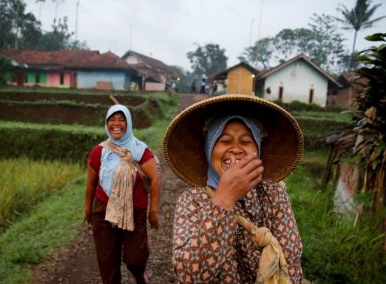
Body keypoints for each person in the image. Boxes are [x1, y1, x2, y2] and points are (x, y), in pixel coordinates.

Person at [163, 94, 304, 283]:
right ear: (209, 149)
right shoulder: (192, 201)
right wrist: (224, 198)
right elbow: (189, 275)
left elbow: (291, 264)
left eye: (246, 142)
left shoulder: (273, 195)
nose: (236, 149)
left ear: (258, 151)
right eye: (225, 141)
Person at [85, 104, 161, 284]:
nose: (116, 124)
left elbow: (155, 180)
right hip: (104, 210)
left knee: (135, 258)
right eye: (112, 119)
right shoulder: (99, 151)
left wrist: (153, 212)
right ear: (106, 123)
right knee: (107, 261)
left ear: (129, 123)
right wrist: (88, 209)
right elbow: (90, 184)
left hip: (134, 209)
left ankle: (138, 273)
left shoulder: (140, 149)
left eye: (121, 119)